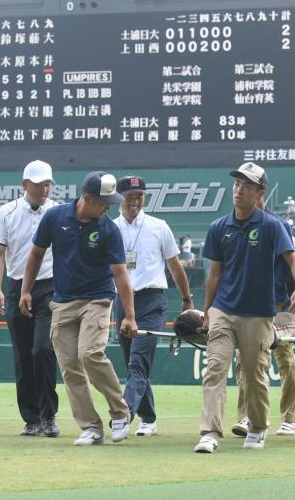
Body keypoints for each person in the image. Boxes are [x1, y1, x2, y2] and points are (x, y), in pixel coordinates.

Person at [194, 162, 295, 453]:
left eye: (247, 185)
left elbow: (293, 260)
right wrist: (207, 311)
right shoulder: (219, 227)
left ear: (260, 193)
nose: (239, 190)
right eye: (236, 184)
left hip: (258, 313)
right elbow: (214, 274)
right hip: (223, 310)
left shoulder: (272, 226)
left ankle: (257, 427)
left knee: (255, 375)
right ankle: (210, 432)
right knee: (215, 368)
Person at [21, 171, 138, 446]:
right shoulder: (55, 217)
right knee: (70, 367)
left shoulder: (108, 229)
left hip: (97, 299)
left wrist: (130, 315)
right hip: (62, 302)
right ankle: (91, 427)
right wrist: (26, 290)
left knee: (89, 354)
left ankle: (120, 412)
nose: (109, 207)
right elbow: (36, 253)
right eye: (104, 201)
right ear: (87, 198)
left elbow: (120, 275)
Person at [112, 175, 193, 437]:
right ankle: (149, 418)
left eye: (139, 196)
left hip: (152, 301)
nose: (134, 201)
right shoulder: (110, 228)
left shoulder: (159, 227)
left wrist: (187, 298)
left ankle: (124, 414)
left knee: (138, 360)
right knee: (133, 363)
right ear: (119, 199)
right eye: (129, 197)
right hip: (123, 302)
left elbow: (174, 265)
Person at [0, 160, 60, 437]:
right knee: (22, 355)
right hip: (17, 287)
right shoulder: (7, 213)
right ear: (25, 185)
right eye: (40, 183)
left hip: (49, 288)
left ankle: (49, 415)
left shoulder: (57, 212)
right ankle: (31, 418)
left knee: (42, 349)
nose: (45, 188)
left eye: (48, 183)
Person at [233, 196, 295, 438]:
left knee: (285, 358)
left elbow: (291, 261)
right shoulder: (238, 222)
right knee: (244, 361)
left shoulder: (278, 224)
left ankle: (290, 417)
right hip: (247, 304)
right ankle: (245, 416)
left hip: (277, 302)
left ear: (261, 194)